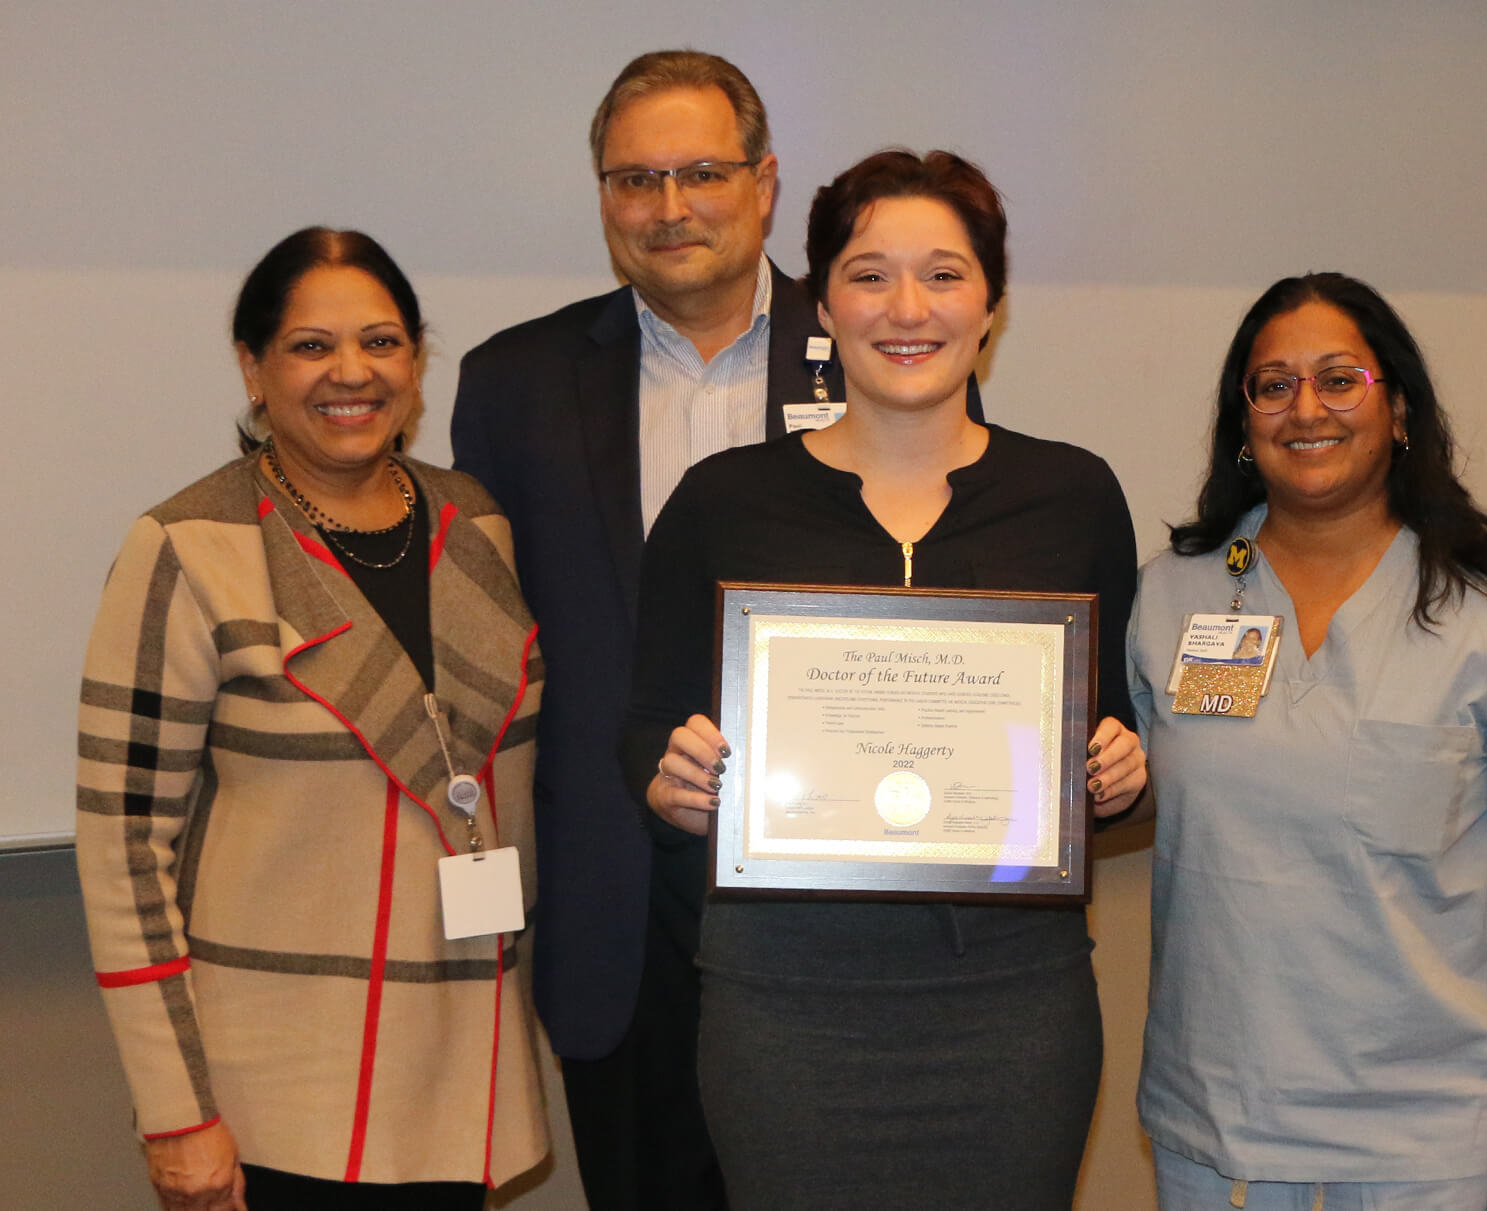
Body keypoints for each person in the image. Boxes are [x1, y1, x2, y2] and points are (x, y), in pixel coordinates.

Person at [451, 50, 982, 1209]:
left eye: (701, 171)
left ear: (766, 182)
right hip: (613, 901)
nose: (670, 206)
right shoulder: (513, 384)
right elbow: (488, 655)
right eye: (634, 179)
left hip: (828, 895)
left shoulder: (883, 347)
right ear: (602, 197)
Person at [623, 148, 1145, 1210]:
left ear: (991, 303)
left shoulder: (1072, 493)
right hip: (785, 1002)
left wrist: (1124, 769)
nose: (908, 307)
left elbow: (1115, 734)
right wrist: (665, 777)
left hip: (1010, 1002)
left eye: (945, 274)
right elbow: (643, 724)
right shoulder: (725, 500)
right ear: (823, 301)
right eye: (869, 274)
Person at [76, 227, 548, 1211]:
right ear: (253, 367)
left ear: (417, 364)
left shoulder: (478, 527)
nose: (351, 372)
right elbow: (124, 850)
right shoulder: (186, 545)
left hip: (462, 1069)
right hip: (274, 1100)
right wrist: (175, 1114)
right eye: (309, 345)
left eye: (381, 341)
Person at [1130, 273, 1487, 1211]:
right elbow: (1135, 797)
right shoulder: (1175, 592)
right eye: (1273, 385)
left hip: (1430, 1124)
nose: (1306, 409)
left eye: (1340, 379)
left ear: (1400, 411)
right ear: (1243, 419)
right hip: (1219, 1116)